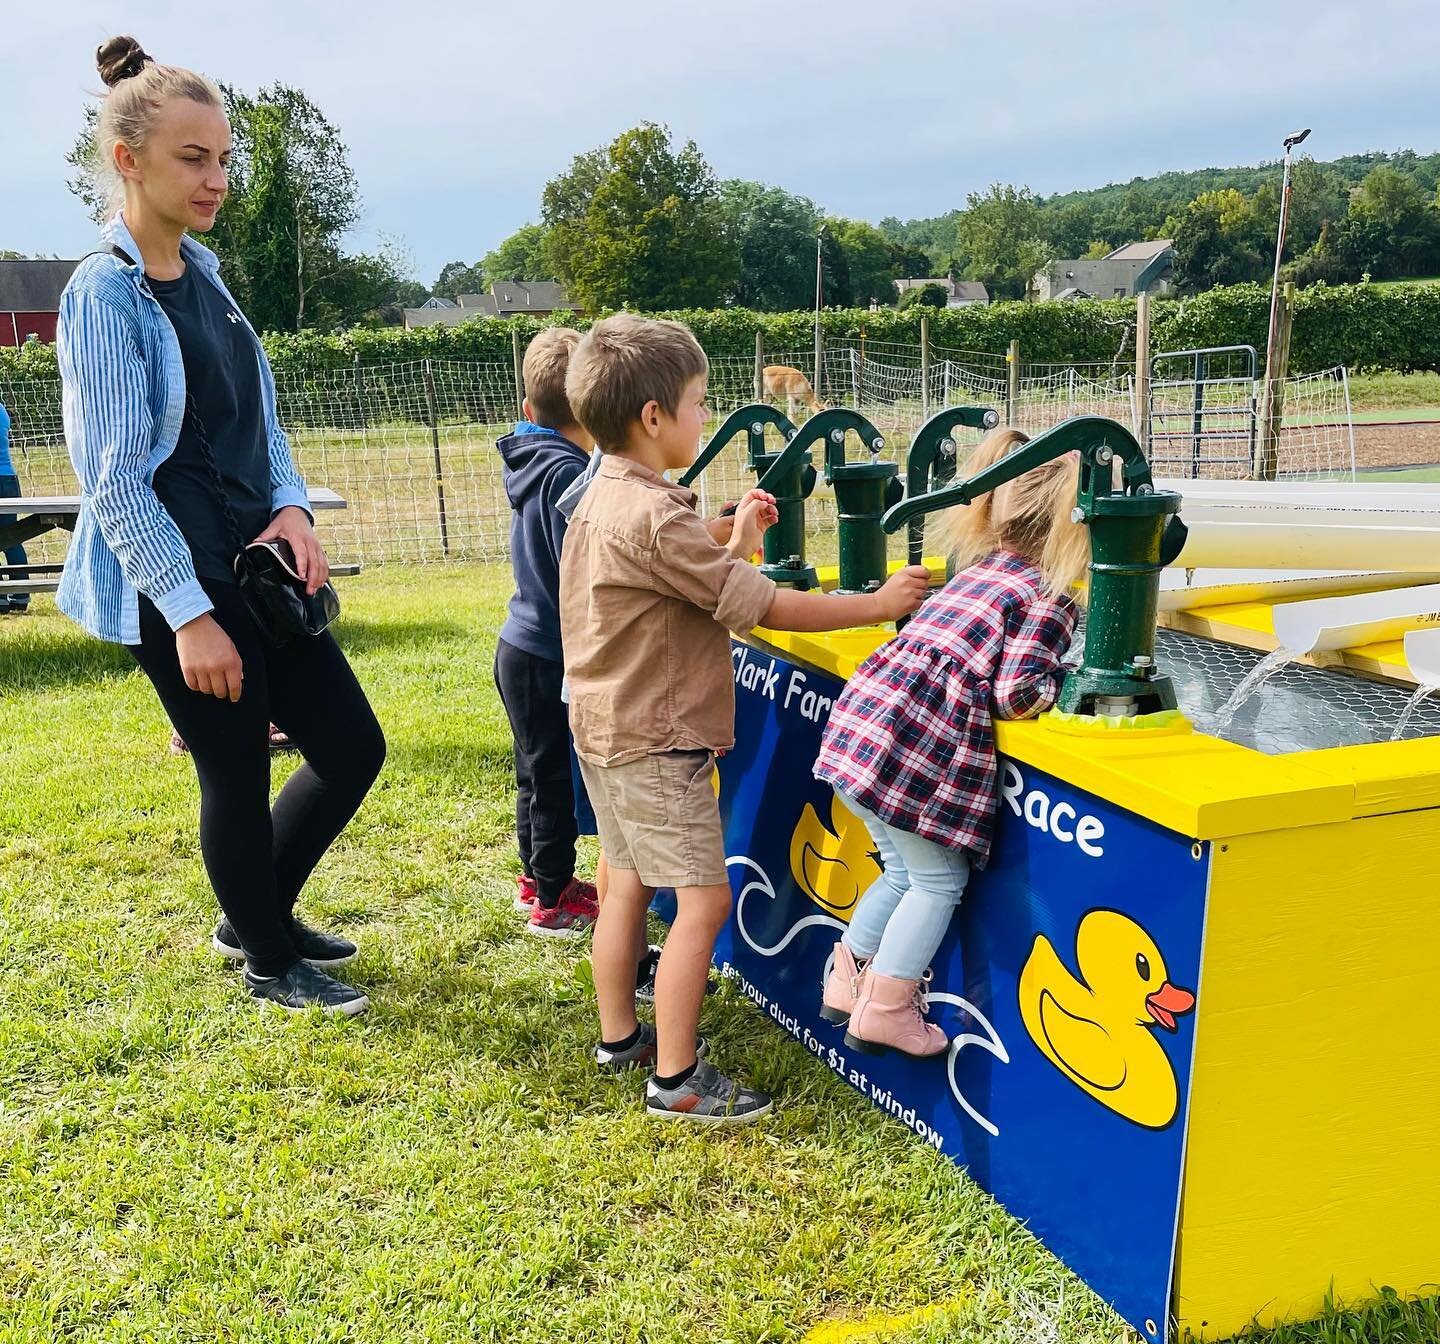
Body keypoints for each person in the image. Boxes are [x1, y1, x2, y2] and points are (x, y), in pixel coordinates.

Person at [54, 36, 385, 1016]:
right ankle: (270, 961)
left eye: (225, 158)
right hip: (181, 578)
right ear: (130, 160)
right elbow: (112, 479)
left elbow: (259, 414)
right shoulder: (103, 293)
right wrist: (190, 613)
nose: (217, 179)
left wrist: (291, 507)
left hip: (259, 560)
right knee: (234, 770)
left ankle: (257, 917)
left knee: (351, 746)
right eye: (194, 159)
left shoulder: (205, 271)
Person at [560, 313, 930, 1125]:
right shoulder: (657, 516)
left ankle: (620, 1037)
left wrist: (739, 531)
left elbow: (689, 580)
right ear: (653, 417)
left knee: (623, 882)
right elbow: (759, 608)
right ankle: (677, 1079)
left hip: (603, 729)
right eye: (697, 403)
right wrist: (877, 602)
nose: (704, 416)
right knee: (704, 904)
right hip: (658, 741)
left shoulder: (604, 498)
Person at [813, 428, 1087, 1057]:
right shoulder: (1046, 595)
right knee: (938, 882)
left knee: (905, 872)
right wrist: (1067, 685)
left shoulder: (978, 572)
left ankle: (846, 980)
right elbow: (1016, 692)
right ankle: (884, 1009)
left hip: (862, 735)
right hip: (909, 751)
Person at [494, 327, 603, 937]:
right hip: (546, 652)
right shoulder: (570, 478)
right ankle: (554, 897)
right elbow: (585, 572)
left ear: (530, 409)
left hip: (520, 645)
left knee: (533, 770)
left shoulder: (533, 459)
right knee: (552, 776)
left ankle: (537, 876)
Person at [0, 398, 30, 614]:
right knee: (12, 538)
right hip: (8, 478)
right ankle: (21, 593)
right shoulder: (1, 409)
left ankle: (1, 597)